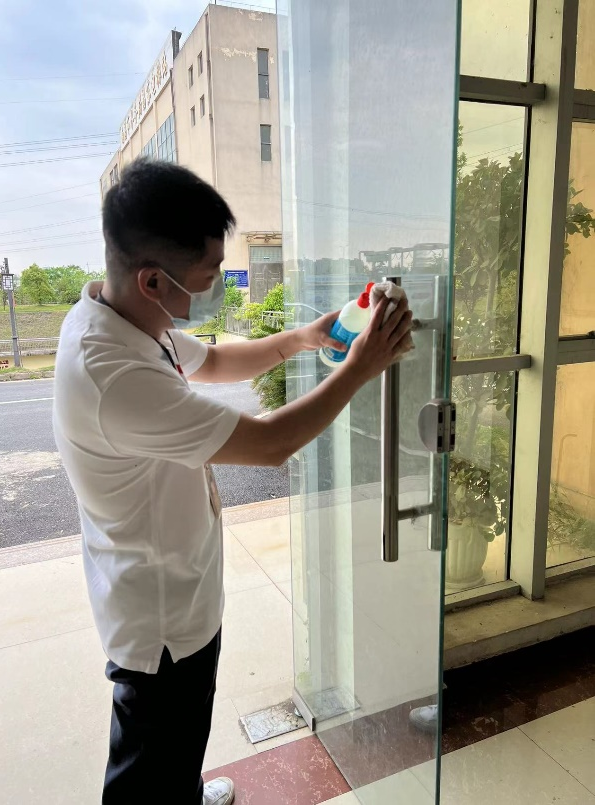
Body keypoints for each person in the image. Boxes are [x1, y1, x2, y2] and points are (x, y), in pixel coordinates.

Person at [52, 158, 413, 805]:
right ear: (153, 280)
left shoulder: (130, 319)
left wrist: (304, 339)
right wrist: (360, 368)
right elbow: (271, 443)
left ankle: (183, 790)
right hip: (160, 621)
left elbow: (216, 360)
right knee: (148, 770)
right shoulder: (114, 374)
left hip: (175, 586)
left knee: (176, 746)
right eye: (209, 274)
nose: (216, 285)